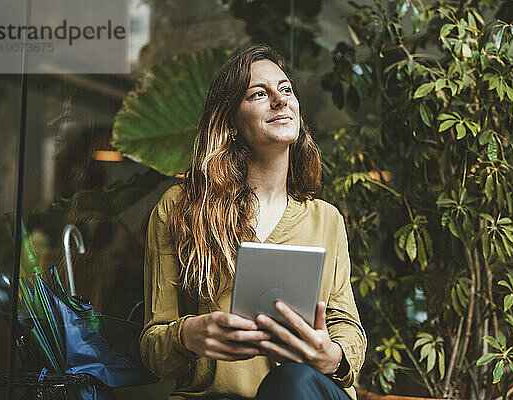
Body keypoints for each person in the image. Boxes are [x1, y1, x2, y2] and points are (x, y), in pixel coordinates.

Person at [139, 45, 366, 400]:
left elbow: (347, 327)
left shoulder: (326, 219)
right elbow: (155, 352)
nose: (280, 100)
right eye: (259, 94)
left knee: (293, 381)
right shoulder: (180, 208)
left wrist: (332, 357)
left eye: (286, 89)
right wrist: (189, 334)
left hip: (307, 393)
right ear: (230, 123)